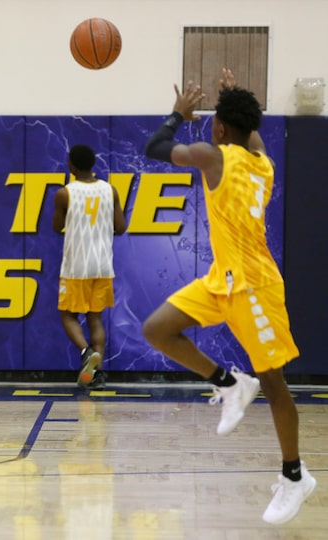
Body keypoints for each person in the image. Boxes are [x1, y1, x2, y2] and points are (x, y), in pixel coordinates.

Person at [142, 68, 316, 524]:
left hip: (254, 286)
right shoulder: (262, 160)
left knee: (276, 384)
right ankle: (229, 383)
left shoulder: (211, 156)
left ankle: (295, 476)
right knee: (158, 329)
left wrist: (177, 114)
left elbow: (155, 148)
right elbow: (250, 129)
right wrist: (232, 98)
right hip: (224, 277)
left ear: (218, 128)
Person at [52, 144, 127, 389]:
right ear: (93, 164)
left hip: (76, 266)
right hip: (103, 265)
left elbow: (56, 226)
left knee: (67, 315)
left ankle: (86, 353)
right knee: (96, 319)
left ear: (71, 166)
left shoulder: (65, 193)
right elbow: (120, 227)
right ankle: (99, 375)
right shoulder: (110, 190)